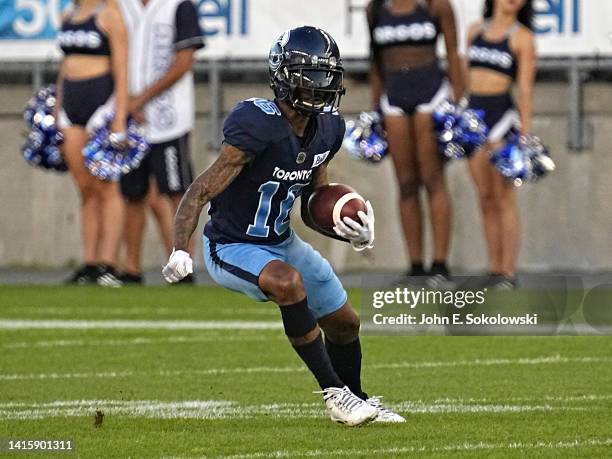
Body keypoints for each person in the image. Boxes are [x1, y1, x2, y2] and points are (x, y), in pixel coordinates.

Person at [162, 26, 405, 426]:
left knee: (345, 322)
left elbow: (313, 202)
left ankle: (360, 399)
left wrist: (349, 227)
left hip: (281, 239)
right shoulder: (257, 124)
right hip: (231, 244)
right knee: (288, 283)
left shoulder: (328, 129)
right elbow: (200, 189)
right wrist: (179, 247)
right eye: (310, 74)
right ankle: (335, 395)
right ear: (284, 75)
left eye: (326, 75)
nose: (320, 84)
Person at [367, 0, 463, 285]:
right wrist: (375, 109)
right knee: (406, 182)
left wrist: (459, 104)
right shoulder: (376, 8)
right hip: (393, 95)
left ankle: (441, 264)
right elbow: (375, 61)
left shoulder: (436, 6)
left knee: (433, 177)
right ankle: (415, 265)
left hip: (431, 92)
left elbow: (453, 54)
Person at [118, 0, 205, 284]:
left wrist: (140, 98)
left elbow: (184, 61)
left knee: (176, 191)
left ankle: (182, 265)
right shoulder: (121, 6)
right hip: (130, 120)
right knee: (132, 193)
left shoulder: (179, 6)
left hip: (169, 119)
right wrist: (123, 104)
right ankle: (130, 268)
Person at [57, 0, 128, 286]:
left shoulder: (110, 14)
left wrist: (120, 117)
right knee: (85, 186)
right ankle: (89, 261)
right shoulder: (68, 15)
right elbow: (64, 66)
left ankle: (108, 263)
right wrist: (58, 105)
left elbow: (123, 69)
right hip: (71, 103)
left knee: (107, 185)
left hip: (101, 101)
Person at [466, 0, 536, 289]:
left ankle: (508, 270)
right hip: (474, 116)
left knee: (504, 196)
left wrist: (525, 136)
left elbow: (526, 90)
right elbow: (463, 74)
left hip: (502, 118)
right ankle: (493, 267)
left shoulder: (523, 38)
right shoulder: (474, 30)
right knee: (485, 197)